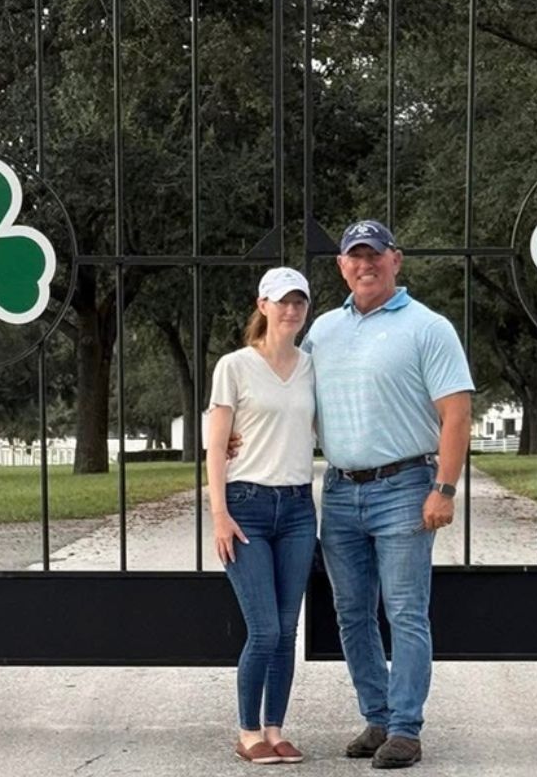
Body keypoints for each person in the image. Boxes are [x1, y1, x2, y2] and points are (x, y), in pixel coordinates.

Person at [304, 219, 474, 769]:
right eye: (354, 256)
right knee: (351, 613)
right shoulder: (322, 330)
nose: (365, 264)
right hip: (340, 489)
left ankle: (405, 728)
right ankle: (376, 717)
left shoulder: (428, 327)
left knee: (404, 611)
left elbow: (456, 414)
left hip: (404, 487)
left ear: (395, 260)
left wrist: (444, 489)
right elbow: (289, 394)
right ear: (341, 266)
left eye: (374, 254)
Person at [207, 267, 317, 766]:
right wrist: (219, 514)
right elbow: (216, 445)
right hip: (246, 507)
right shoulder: (234, 366)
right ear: (263, 305)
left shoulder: (312, 367)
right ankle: (248, 730)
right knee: (265, 630)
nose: (291, 309)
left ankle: (275, 729)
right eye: (282, 301)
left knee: (288, 630)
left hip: (297, 509)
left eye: (299, 302)